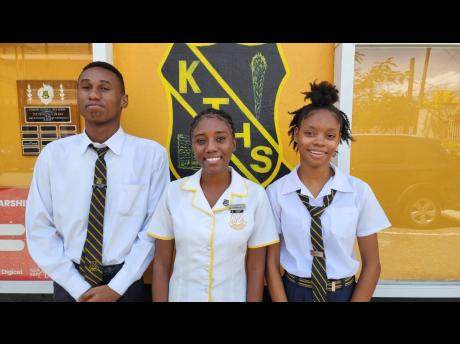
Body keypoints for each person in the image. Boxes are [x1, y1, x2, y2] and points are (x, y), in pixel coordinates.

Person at [25, 61, 169, 302]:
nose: (93, 94)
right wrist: (77, 287)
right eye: (85, 87)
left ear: (124, 99)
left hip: (127, 284)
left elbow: (153, 229)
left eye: (104, 88)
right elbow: (39, 227)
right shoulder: (53, 156)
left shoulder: (151, 156)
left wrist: (117, 287)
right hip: (69, 283)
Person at [265, 81, 390, 302]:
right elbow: (271, 264)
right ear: (296, 134)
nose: (319, 142)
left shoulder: (358, 192)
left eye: (330, 136)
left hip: (344, 294)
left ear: (338, 139)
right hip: (294, 293)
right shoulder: (276, 193)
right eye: (310, 133)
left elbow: (372, 264)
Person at [148, 108, 279, 302]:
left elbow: (256, 268)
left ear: (233, 144)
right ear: (192, 146)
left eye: (220, 139)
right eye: (201, 141)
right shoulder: (174, 193)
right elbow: (161, 264)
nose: (210, 147)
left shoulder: (254, 195)